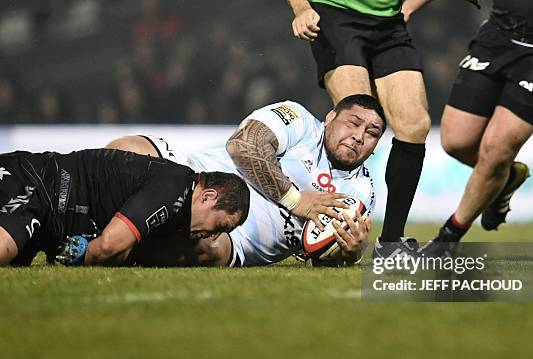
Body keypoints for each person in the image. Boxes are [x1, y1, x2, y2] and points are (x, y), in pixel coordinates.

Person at [106, 94, 386, 267]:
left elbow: (319, 255)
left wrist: (351, 253)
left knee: (211, 250)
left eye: (372, 133)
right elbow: (243, 145)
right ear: (330, 118)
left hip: (236, 240)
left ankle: (115, 249)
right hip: (196, 174)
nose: (359, 136)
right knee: (127, 148)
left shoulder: (361, 191)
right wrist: (296, 200)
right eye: (353, 122)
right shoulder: (299, 120)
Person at [422, 0, 533, 253]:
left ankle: (448, 239)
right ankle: (506, 178)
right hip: (501, 32)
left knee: (496, 150)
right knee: (456, 141)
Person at [287, 0, 433, 257]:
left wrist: (408, 6)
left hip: (389, 24)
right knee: (355, 120)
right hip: (335, 16)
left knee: (415, 124)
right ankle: (312, 230)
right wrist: (301, 8)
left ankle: (390, 243)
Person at [0, 149, 250, 266]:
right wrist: (77, 258)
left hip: (43, 215)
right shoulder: (172, 189)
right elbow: (108, 247)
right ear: (207, 197)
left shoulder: (175, 211)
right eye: (220, 225)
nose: (214, 236)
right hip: (31, 183)